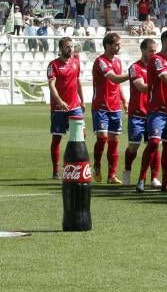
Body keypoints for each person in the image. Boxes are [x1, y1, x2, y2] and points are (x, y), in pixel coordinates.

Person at [135, 29, 167, 193]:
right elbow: (166, 79)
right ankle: (141, 179)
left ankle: (165, 183)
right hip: (157, 110)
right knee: (154, 142)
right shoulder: (156, 59)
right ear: (166, 41)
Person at [91, 33, 130, 184]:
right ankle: (97, 165)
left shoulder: (118, 61)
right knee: (103, 138)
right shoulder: (100, 61)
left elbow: (117, 84)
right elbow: (113, 78)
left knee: (114, 141)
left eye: (119, 44)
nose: (119, 47)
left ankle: (111, 175)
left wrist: (124, 100)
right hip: (101, 106)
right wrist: (132, 74)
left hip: (115, 106)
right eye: (116, 44)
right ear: (107, 45)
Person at [46, 37, 85, 178]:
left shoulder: (76, 62)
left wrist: (82, 100)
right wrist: (59, 101)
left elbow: (78, 80)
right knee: (57, 138)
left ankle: (76, 165)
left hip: (75, 105)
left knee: (82, 135)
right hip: (59, 108)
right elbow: (51, 85)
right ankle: (56, 170)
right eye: (68, 47)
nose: (70, 49)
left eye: (72, 46)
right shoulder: (53, 65)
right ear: (61, 48)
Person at [121, 38, 158, 186]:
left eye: (155, 50)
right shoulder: (134, 68)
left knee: (154, 144)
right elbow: (142, 87)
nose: (154, 53)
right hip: (137, 113)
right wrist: (160, 82)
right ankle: (127, 170)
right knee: (134, 146)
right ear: (143, 50)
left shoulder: (157, 67)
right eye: (151, 51)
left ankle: (154, 177)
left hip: (153, 113)